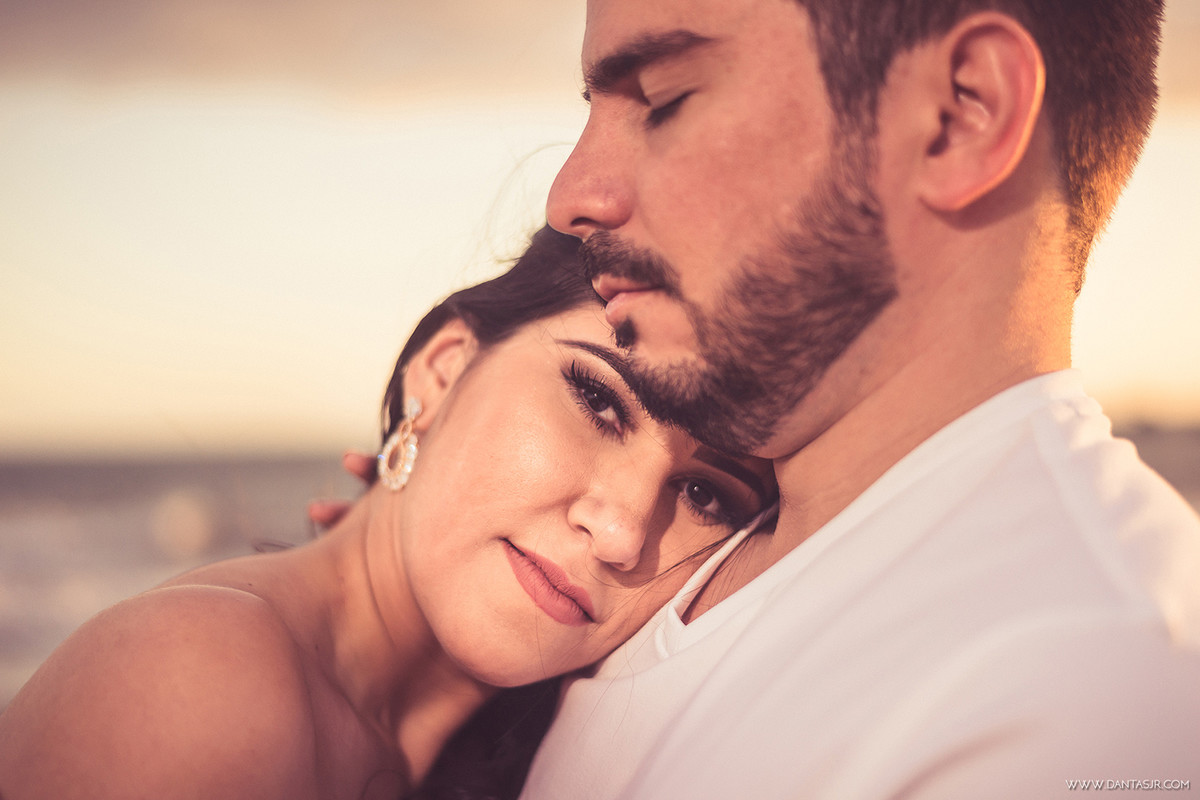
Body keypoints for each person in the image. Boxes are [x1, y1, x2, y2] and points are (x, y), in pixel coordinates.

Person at [513, 1, 1200, 798]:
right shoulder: (697, 552)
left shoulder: (1085, 682)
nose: (570, 196)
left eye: (664, 101)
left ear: (960, 117)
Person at [0, 226, 776, 800]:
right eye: (600, 402)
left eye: (706, 495)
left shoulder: (503, 754)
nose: (621, 533)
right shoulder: (197, 679)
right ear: (442, 377)